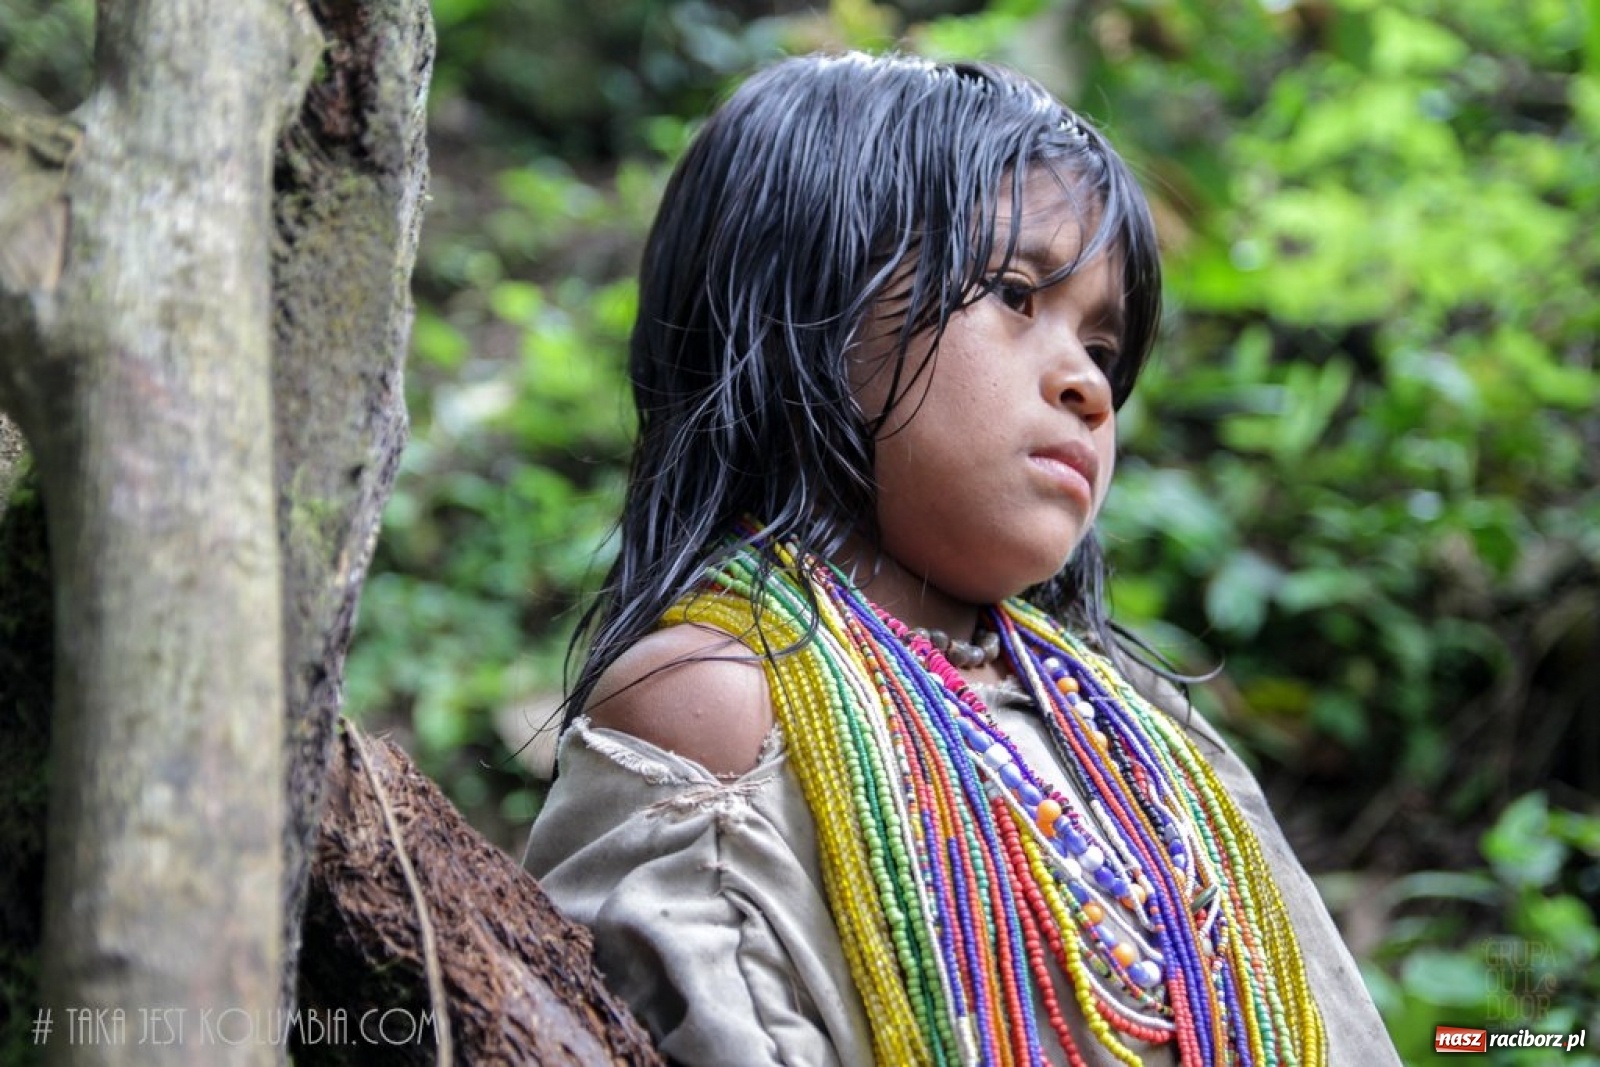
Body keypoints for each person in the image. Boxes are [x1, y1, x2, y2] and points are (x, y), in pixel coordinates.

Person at [524, 51, 1398, 1067]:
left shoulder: (1158, 751)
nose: (1087, 386)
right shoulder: (718, 702)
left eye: (1105, 349)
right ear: (807, 308)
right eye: (1016, 292)